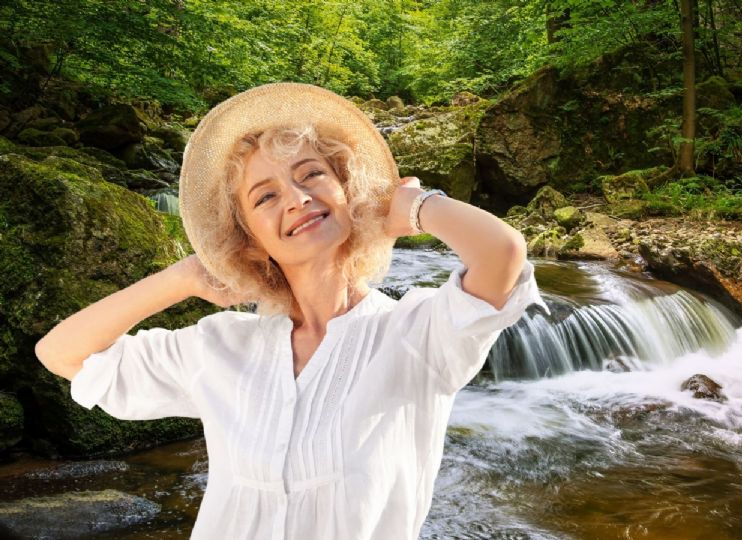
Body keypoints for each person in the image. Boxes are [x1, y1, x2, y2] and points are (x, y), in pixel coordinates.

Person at [34, 82, 548, 539]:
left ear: (348, 190)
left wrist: (411, 207)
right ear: (249, 239)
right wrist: (184, 277)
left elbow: (501, 254)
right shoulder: (220, 347)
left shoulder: (417, 335)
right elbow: (62, 354)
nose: (297, 199)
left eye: (312, 174)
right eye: (265, 197)